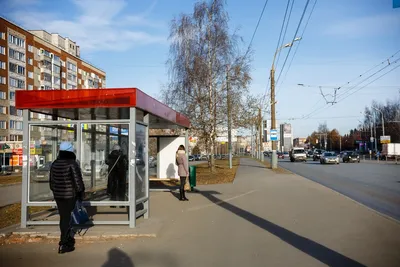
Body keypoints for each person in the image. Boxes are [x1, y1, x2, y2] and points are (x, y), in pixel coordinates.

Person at [49, 141, 85, 254]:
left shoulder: (55, 163)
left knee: (64, 217)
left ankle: (66, 239)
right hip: (70, 195)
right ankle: (64, 243)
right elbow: (78, 181)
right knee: (66, 218)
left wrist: (56, 191)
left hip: (58, 196)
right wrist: (81, 194)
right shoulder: (72, 163)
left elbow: (51, 182)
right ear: (70, 150)